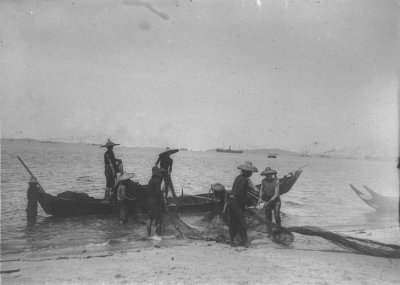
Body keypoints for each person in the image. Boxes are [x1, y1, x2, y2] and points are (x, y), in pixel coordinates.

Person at [227, 161, 258, 248]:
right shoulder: (244, 180)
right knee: (242, 223)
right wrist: (250, 203)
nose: (251, 174)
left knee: (233, 222)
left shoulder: (238, 178)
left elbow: (237, 191)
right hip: (237, 203)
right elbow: (241, 194)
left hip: (231, 202)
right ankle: (245, 242)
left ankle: (232, 241)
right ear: (247, 172)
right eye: (250, 172)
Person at [259, 167, 281, 234]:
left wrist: (270, 201)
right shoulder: (263, 181)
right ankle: (269, 231)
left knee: (276, 215)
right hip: (267, 200)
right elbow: (261, 191)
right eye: (267, 174)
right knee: (268, 216)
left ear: (272, 174)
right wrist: (260, 198)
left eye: (270, 174)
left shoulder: (276, 181)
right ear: (265, 175)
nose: (269, 176)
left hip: (275, 200)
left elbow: (276, 194)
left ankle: (279, 229)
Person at [147, 167, 166, 239]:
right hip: (156, 202)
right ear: (158, 173)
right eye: (160, 172)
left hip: (150, 201)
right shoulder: (157, 181)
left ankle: (148, 235)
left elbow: (149, 192)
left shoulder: (150, 181)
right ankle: (158, 236)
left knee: (149, 219)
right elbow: (158, 193)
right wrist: (162, 201)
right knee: (159, 219)